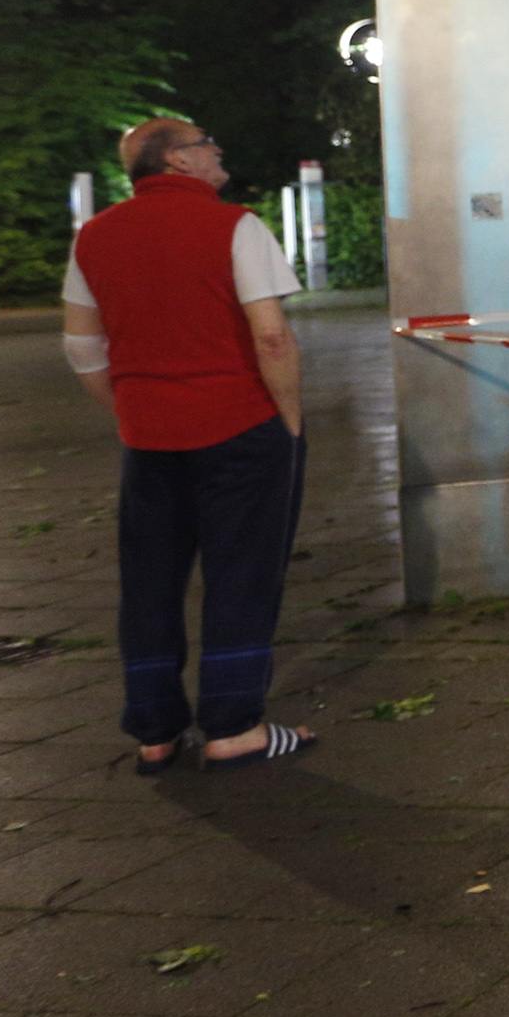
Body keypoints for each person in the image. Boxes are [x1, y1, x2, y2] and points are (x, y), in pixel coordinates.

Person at [62, 117, 317, 770]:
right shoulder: (236, 226)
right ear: (176, 160)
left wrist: (129, 409)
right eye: (208, 142)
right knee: (242, 572)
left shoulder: (94, 236)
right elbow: (271, 336)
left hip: (147, 438)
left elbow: (81, 345)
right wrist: (289, 417)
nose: (217, 148)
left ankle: (155, 728)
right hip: (239, 426)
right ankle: (234, 726)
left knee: (149, 580)